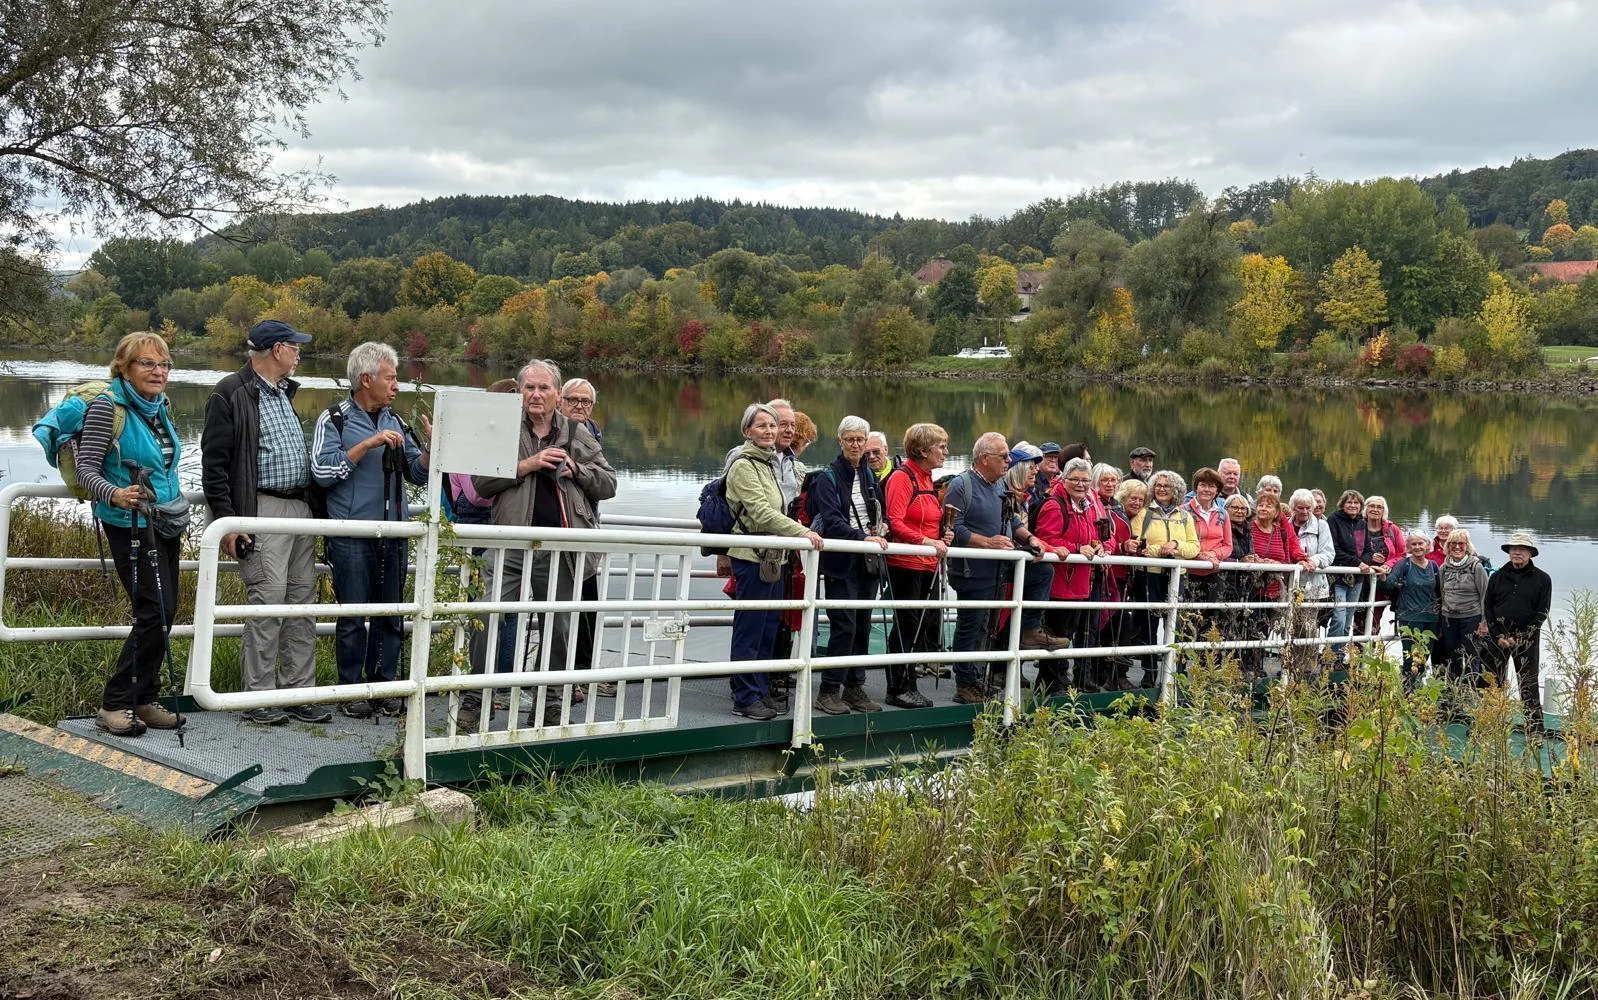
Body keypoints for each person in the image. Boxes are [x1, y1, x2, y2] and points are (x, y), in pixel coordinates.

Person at [470, 359, 616, 726]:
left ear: (557, 394)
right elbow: (480, 483)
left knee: (559, 625)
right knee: (486, 616)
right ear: (519, 392)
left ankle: (549, 702)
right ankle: (475, 697)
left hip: (559, 546)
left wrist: (576, 470)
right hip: (510, 543)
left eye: (543, 388)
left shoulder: (574, 431)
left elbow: (609, 483)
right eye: (529, 388)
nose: (536, 395)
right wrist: (528, 464)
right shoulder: (503, 427)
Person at [200, 319, 330, 726]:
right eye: (295, 347)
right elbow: (214, 467)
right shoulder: (231, 393)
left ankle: (298, 692)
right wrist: (228, 521)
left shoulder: (282, 393)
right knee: (269, 601)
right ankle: (257, 697)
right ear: (277, 350)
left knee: (301, 601)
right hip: (261, 510)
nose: (298, 354)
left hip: (298, 511)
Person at [74, 332, 187, 737]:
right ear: (124, 367)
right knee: (152, 611)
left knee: (167, 611)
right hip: (128, 525)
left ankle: (144, 697)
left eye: (164, 364)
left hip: (164, 520)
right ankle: (116, 703)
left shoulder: (160, 407)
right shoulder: (109, 408)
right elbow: (87, 468)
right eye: (147, 363)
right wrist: (116, 494)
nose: (158, 372)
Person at [312, 341, 431, 719]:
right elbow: (322, 471)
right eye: (391, 378)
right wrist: (366, 445)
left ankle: (385, 684)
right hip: (350, 535)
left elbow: (417, 473)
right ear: (366, 379)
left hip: (394, 533)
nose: (397, 386)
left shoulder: (397, 421)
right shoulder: (334, 419)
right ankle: (351, 689)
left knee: (392, 612)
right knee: (353, 615)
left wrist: (431, 446)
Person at [722, 403, 823, 720]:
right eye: (761, 426)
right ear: (747, 431)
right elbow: (763, 513)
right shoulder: (743, 465)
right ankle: (745, 697)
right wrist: (803, 532)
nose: (769, 431)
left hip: (774, 558)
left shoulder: (769, 464)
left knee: (768, 627)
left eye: (772, 426)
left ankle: (760, 691)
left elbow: (783, 507)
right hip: (752, 557)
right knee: (751, 627)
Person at [946, 433, 1058, 704]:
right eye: (1004, 456)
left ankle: (1030, 629)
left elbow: (1013, 523)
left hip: (998, 567)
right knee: (972, 625)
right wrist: (987, 542)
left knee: (1042, 571)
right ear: (985, 458)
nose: (1009, 460)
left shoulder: (999, 486)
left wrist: (1031, 538)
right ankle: (965, 683)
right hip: (972, 569)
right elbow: (953, 529)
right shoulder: (961, 485)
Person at [808, 416, 888, 716]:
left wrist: (882, 529)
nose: (856, 445)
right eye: (850, 439)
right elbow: (831, 520)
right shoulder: (827, 478)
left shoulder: (870, 476)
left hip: (867, 563)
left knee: (863, 625)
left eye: (860, 440)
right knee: (844, 625)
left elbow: (881, 512)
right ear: (840, 441)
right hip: (842, 562)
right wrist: (862, 537)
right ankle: (828, 690)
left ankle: (854, 687)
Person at [881, 422, 954, 709]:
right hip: (905, 564)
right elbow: (895, 522)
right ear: (923, 450)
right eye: (941, 447)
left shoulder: (926, 479)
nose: (946, 452)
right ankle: (898, 687)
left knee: (917, 626)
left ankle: (908, 683)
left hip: (925, 564)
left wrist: (940, 536)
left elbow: (925, 519)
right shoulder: (903, 478)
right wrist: (925, 540)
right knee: (905, 625)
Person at [1034, 457, 1113, 693]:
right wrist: (1077, 548)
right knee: (1057, 633)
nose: (1081, 485)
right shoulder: (1054, 505)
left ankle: (1052, 679)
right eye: (1075, 480)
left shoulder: (1086, 506)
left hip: (1079, 581)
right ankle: (1054, 681)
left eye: (1086, 481)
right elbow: (1046, 538)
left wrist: (1098, 545)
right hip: (1060, 581)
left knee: (1067, 632)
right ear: (1064, 480)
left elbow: (1091, 535)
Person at [558, 377, 608, 696]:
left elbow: (606, 483)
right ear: (560, 401)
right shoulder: (555, 431)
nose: (579, 406)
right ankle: (565, 677)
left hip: (585, 530)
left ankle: (584, 674)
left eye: (585, 402)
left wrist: (579, 471)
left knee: (588, 605)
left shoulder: (592, 434)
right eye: (573, 400)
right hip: (560, 532)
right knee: (561, 610)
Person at [1481, 531, 1553, 736]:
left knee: (1528, 683)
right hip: (1497, 639)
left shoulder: (1543, 579)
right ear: (1509, 552)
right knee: (1491, 682)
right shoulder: (1496, 577)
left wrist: (1519, 637)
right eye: (1513, 549)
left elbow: (1542, 613)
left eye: (1522, 549)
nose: (1517, 552)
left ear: (1530, 553)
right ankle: (1487, 725)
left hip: (1527, 640)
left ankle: (1535, 729)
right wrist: (1498, 635)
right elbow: (1488, 607)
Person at [1240, 494, 1315, 676]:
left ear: (1276, 513)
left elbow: (1289, 555)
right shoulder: (1249, 528)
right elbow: (1242, 552)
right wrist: (1254, 560)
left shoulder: (1280, 531)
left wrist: (1302, 560)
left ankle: (1258, 666)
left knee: (1264, 629)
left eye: (1268, 506)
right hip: (1252, 587)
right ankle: (1248, 667)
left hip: (1273, 589)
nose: (1263, 508)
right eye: (1261, 505)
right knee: (1250, 627)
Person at [1386, 532, 1442, 690]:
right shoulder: (1404, 564)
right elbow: (1389, 583)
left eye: (1421, 544)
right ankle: (1407, 690)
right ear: (1409, 547)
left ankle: (1417, 690)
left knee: (1424, 656)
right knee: (1410, 657)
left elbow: (1439, 592)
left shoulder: (1433, 566)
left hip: (1431, 619)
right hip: (1409, 617)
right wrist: (1383, 575)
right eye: (1414, 544)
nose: (1417, 547)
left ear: (1427, 545)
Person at [1437, 528, 1490, 686]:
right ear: (1448, 546)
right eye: (1453, 544)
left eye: (1461, 543)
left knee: (1472, 656)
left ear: (1467, 546)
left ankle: (1472, 692)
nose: (1457, 547)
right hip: (1449, 618)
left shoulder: (1476, 567)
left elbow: (1485, 595)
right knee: (1453, 656)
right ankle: (1455, 693)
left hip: (1471, 617)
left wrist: (1484, 621)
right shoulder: (1443, 568)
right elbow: (1442, 593)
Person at [1286, 488, 1336, 640]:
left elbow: (1329, 553)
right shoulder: (1285, 526)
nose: (1305, 511)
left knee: (1308, 628)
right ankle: (1289, 662)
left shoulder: (1321, 526)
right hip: (1288, 584)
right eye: (1301, 508)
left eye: (1308, 507)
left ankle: (1307, 663)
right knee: (1288, 627)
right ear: (1293, 507)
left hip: (1312, 585)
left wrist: (1314, 560)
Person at [1358, 496, 1407, 636]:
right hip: (1359, 580)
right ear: (1366, 509)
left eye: (1379, 507)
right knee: (1358, 617)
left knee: (1375, 617)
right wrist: (1368, 558)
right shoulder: (1357, 527)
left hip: (1382, 582)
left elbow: (1402, 554)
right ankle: (1356, 652)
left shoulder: (1392, 530)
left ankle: (1370, 652)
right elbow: (1350, 551)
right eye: (1372, 506)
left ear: (1384, 511)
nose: (1375, 509)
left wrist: (1387, 564)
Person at [1326, 489, 1367, 645]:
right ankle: (1330, 655)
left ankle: (1339, 657)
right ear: (1342, 504)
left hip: (1357, 578)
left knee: (1348, 619)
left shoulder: (1362, 523)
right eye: (1349, 502)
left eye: (1356, 502)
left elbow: (1368, 550)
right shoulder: (1334, 520)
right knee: (1339, 618)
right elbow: (1334, 550)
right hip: (1338, 577)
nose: (1353, 505)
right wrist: (1357, 563)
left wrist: (1363, 562)